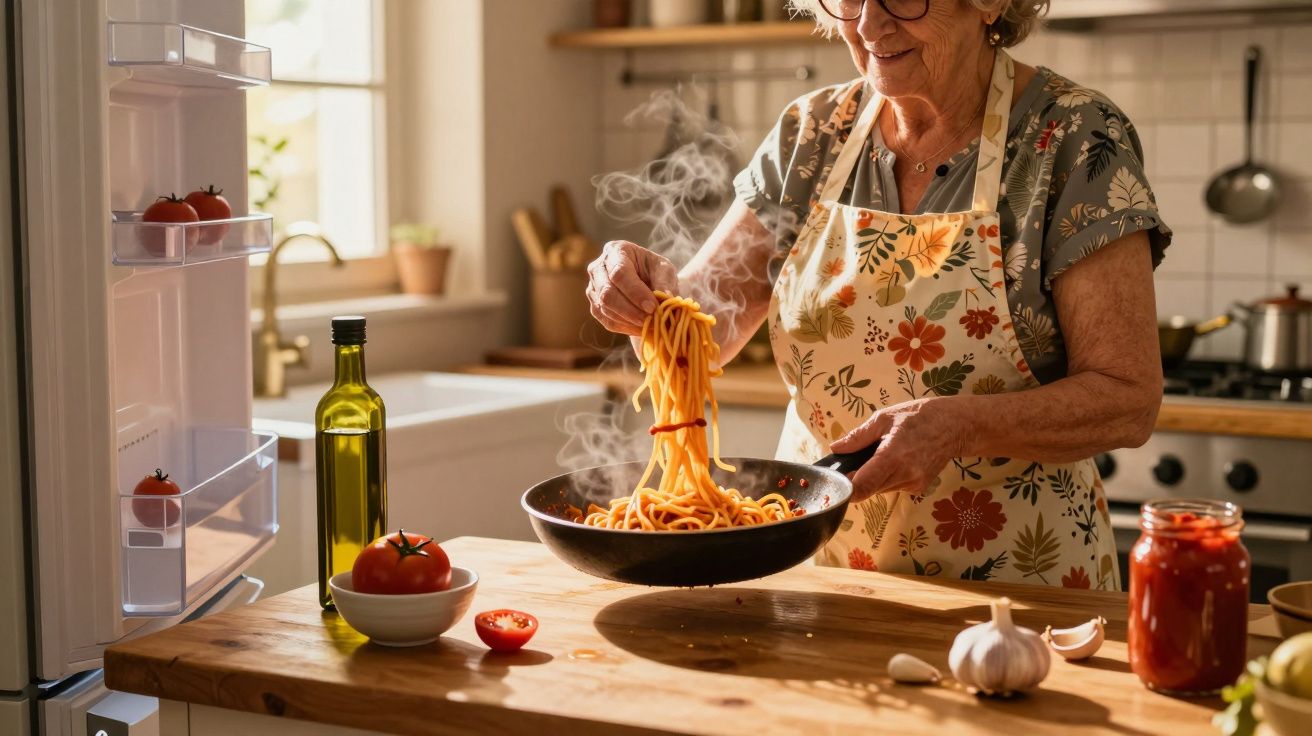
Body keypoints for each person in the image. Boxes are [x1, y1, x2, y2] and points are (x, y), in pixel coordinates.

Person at [585, 0, 1170, 589]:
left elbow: (1127, 398)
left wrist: (958, 426)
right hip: (820, 563)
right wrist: (647, 297)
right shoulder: (811, 134)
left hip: (1019, 581)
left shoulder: (1076, 136)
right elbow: (703, 329)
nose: (868, 25)